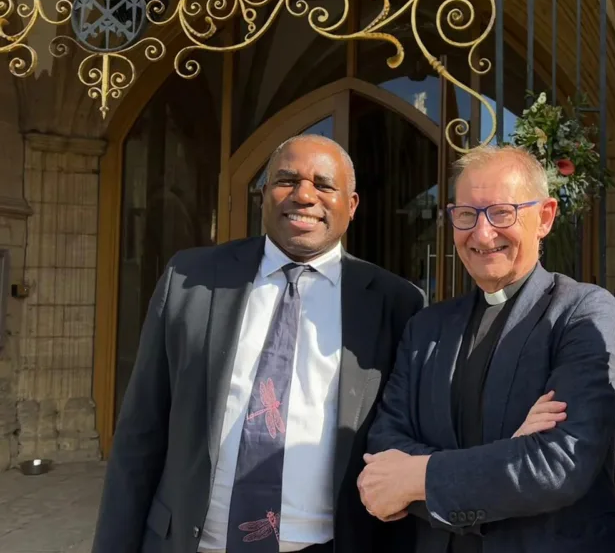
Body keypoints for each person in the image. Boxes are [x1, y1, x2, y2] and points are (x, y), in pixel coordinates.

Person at [92, 134, 425, 553]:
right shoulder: (191, 280)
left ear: (352, 205)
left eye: (323, 185)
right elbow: (140, 434)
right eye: (286, 180)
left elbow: (406, 436)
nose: (304, 195)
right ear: (262, 196)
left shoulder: (396, 304)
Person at [358, 145, 615, 553]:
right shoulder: (426, 328)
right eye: (466, 215)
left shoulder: (581, 311)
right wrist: (509, 453)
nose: (482, 234)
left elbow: (557, 464)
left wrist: (416, 478)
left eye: (502, 213)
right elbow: (384, 450)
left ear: (544, 217)